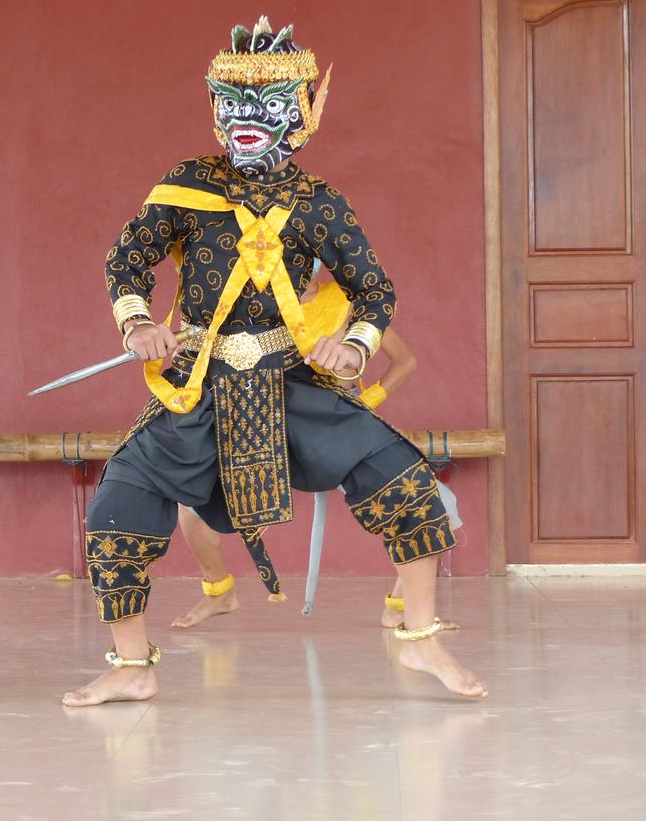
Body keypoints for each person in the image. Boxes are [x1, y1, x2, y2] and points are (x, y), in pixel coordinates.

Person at [62, 18, 486, 707]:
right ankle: (132, 665)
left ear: (301, 116)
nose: (246, 120)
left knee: (409, 483)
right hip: (197, 383)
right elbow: (126, 260)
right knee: (116, 507)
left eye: (265, 106)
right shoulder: (187, 185)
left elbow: (375, 291)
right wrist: (137, 323)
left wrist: (354, 346)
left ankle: (422, 639)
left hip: (293, 383)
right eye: (232, 104)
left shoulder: (321, 203)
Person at [168, 264, 460, 631]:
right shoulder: (255, 310)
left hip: (336, 431)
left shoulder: (348, 305)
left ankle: (401, 608)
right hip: (266, 427)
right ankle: (219, 592)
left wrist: (363, 403)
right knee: (190, 506)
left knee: (439, 505)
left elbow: (405, 362)